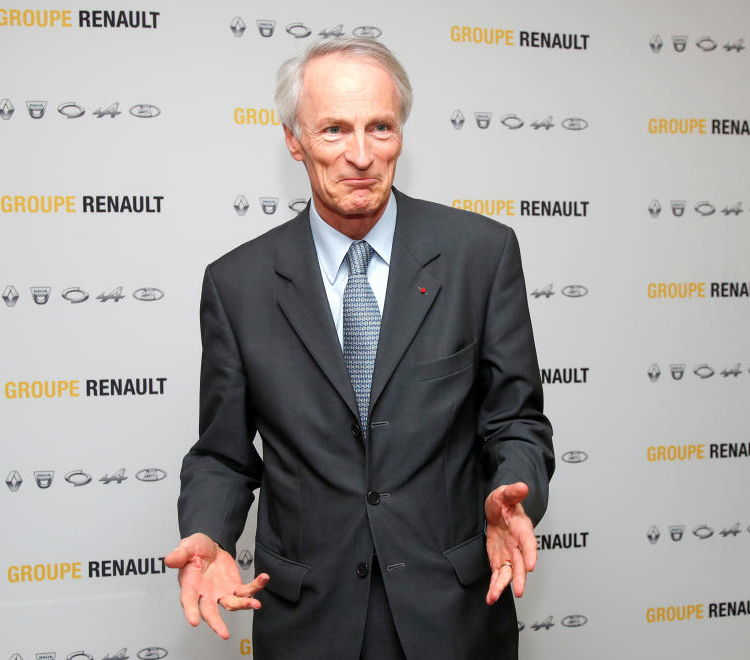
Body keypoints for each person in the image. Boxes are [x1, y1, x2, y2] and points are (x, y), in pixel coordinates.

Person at [165, 36, 554, 660]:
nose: (361, 155)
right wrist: (207, 532)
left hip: (453, 614)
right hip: (310, 623)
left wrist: (510, 488)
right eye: (333, 130)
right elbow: (224, 455)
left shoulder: (482, 255)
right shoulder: (236, 285)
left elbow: (517, 422)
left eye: (380, 127)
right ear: (294, 140)